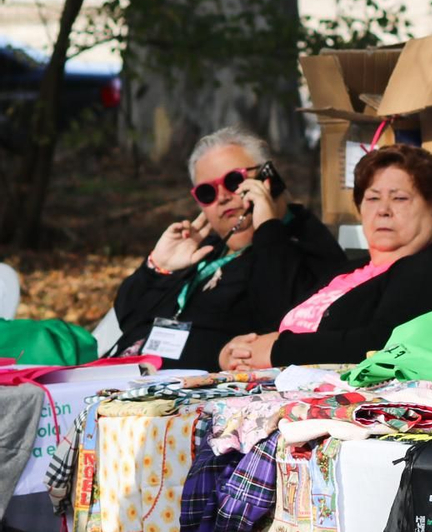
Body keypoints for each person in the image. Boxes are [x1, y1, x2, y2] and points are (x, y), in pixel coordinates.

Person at [219, 144, 432, 368]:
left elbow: (381, 343)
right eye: (373, 198)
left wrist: (279, 352)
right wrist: (241, 350)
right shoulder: (353, 271)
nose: (383, 210)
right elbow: (284, 317)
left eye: (399, 198)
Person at [109, 126, 347, 371]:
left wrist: (268, 225)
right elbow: (127, 317)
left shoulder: (298, 245)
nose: (222, 197)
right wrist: (158, 268)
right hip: (128, 377)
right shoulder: (204, 249)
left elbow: (279, 315)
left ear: (269, 179)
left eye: (234, 181)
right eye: (207, 192)